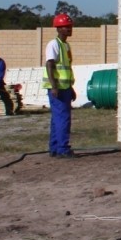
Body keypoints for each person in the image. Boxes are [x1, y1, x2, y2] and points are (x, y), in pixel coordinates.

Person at [43, 13, 77, 158]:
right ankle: (62, 148)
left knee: (57, 119)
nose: (69, 29)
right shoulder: (54, 44)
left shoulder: (66, 45)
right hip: (58, 89)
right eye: (66, 27)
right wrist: (54, 86)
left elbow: (66, 68)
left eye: (70, 26)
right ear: (58, 28)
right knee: (63, 119)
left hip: (65, 88)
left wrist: (71, 88)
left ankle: (55, 147)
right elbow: (50, 65)